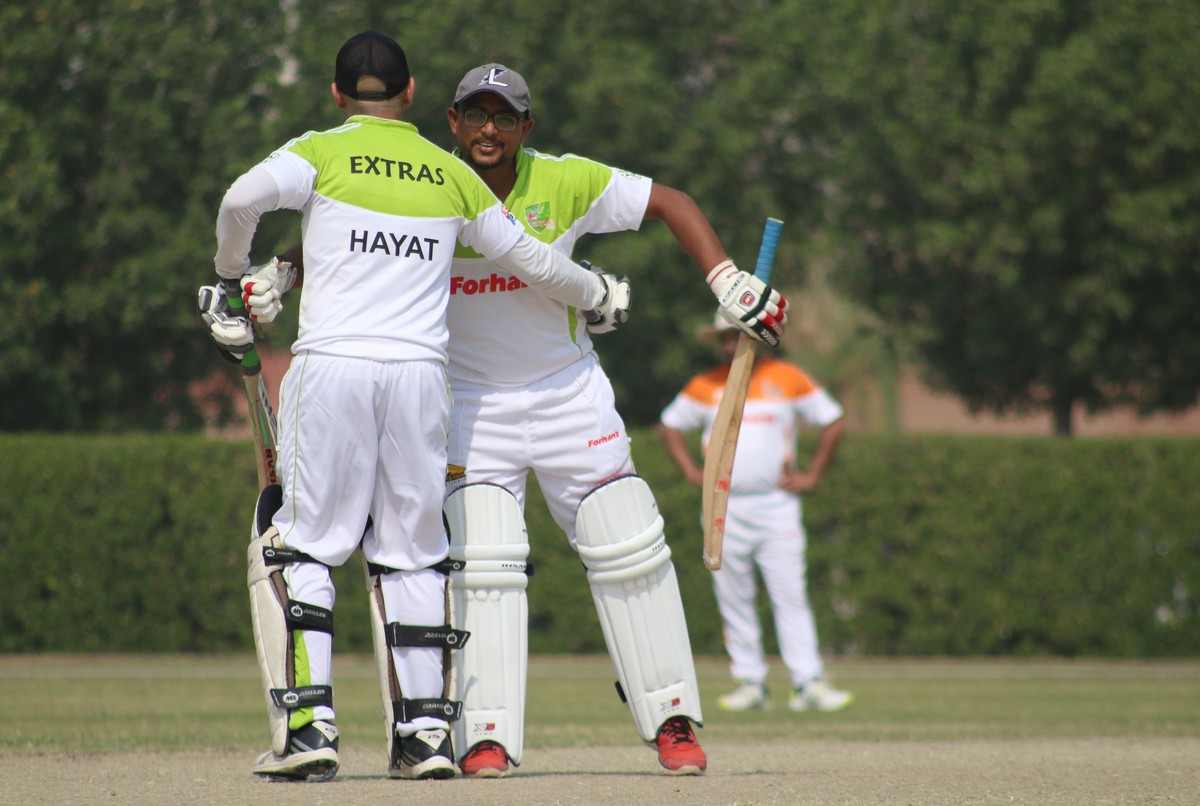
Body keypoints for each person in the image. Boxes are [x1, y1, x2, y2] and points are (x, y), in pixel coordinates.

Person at [201, 32, 631, 783]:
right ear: (409, 94)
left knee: (305, 543)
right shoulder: (450, 170)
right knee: (413, 551)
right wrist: (595, 291)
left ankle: (307, 727)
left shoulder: (321, 151)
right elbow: (532, 260)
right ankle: (426, 735)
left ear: (338, 94)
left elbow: (241, 200)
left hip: (334, 366)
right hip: (421, 377)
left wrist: (231, 274)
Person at [439, 64, 788, 778]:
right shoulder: (427, 184)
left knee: (628, 541)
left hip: (567, 393)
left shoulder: (565, 179)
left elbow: (672, 202)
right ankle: (483, 734)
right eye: (475, 114)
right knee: (481, 560)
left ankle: (672, 720)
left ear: (526, 127)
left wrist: (725, 278)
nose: (488, 129)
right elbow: (345, 234)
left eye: (503, 117)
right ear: (453, 121)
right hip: (469, 403)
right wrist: (278, 275)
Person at [657, 312, 853, 713]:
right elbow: (669, 425)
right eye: (726, 338)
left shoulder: (789, 378)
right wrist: (691, 471)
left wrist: (813, 475)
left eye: (739, 336)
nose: (732, 344)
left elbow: (832, 420)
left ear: (759, 338)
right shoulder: (706, 384)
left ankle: (808, 683)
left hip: (776, 505)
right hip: (723, 506)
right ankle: (750, 683)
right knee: (734, 597)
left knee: (790, 594)